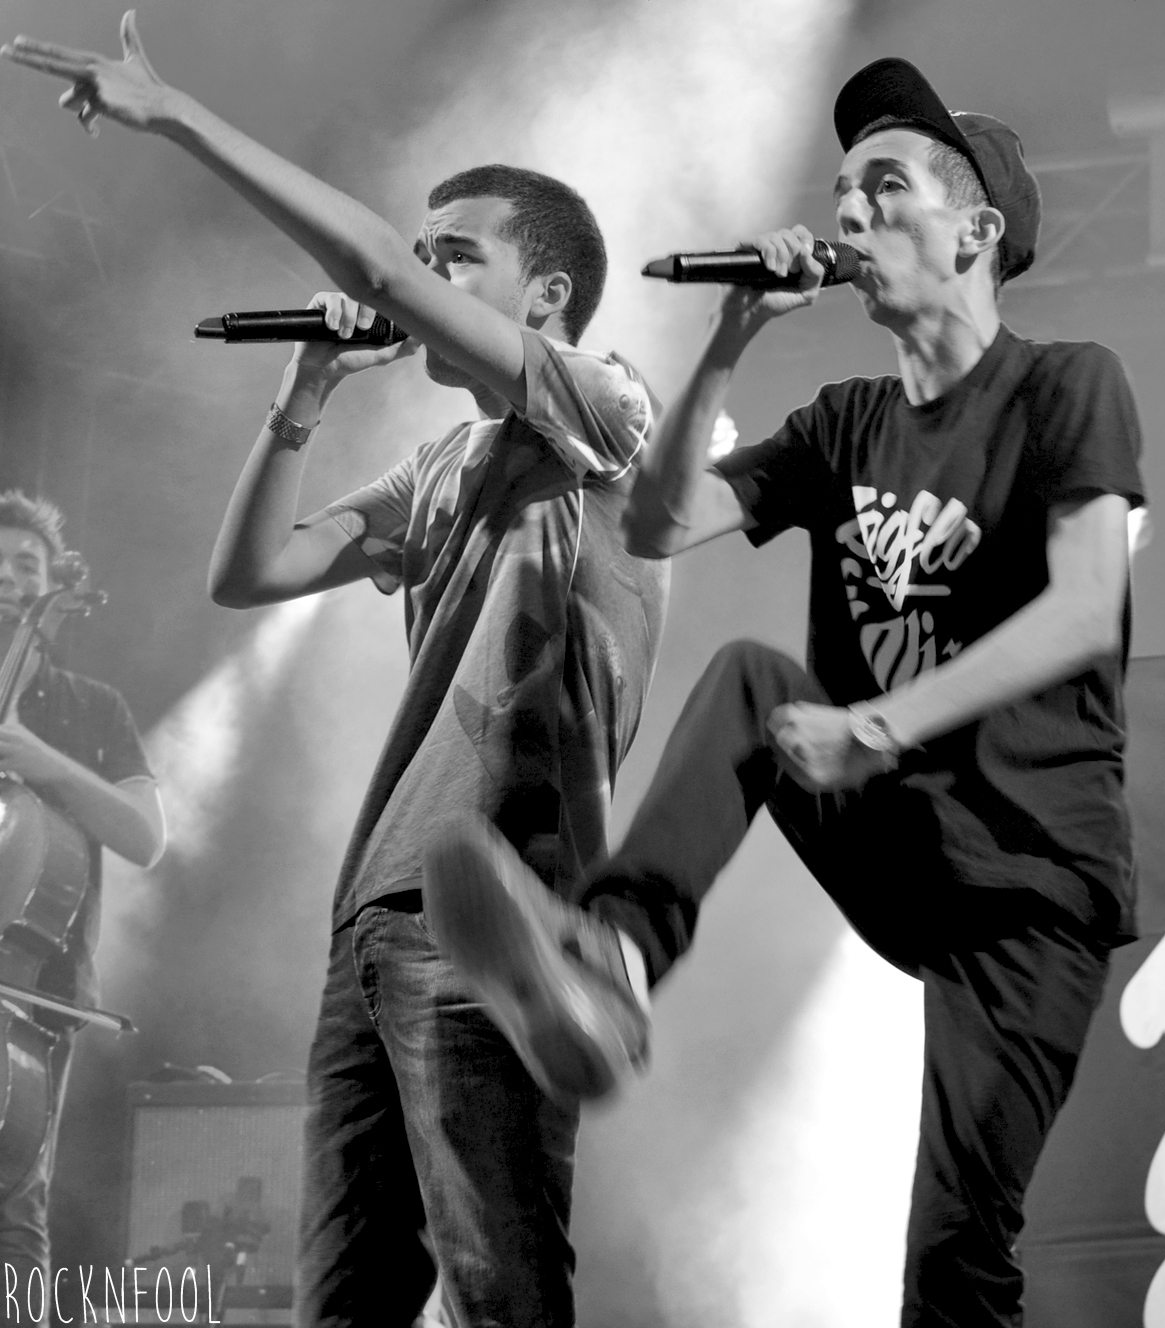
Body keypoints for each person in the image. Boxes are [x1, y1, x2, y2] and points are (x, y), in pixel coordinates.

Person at [424, 56, 1145, 1326]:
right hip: (900, 831)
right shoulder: (843, 422)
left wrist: (877, 721)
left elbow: (1086, 606)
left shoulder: (1065, 384)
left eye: (886, 186)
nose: (849, 212)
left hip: (1031, 872)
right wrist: (733, 333)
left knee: (955, 1250)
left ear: (974, 230)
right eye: (842, 190)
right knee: (752, 681)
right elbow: (654, 523)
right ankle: (610, 963)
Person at [3, 16, 666, 1326]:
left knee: (497, 1279)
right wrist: (307, 388)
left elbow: (366, 259)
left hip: (500, 898)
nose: (418, 276)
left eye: (453, 256)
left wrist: (177, 115)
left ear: (543, 295)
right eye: (421, 254)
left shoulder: (606, 405)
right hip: (373, 913)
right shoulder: (435, 468)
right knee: (349, 1297)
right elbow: (250, 574)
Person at [0, 490, 166, 1304]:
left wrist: (39, 761)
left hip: (29, 995)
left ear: (51, 590)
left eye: (24, 564)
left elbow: (144, 835)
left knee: (10, 1207)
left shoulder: (93, 709)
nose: (7, 577)